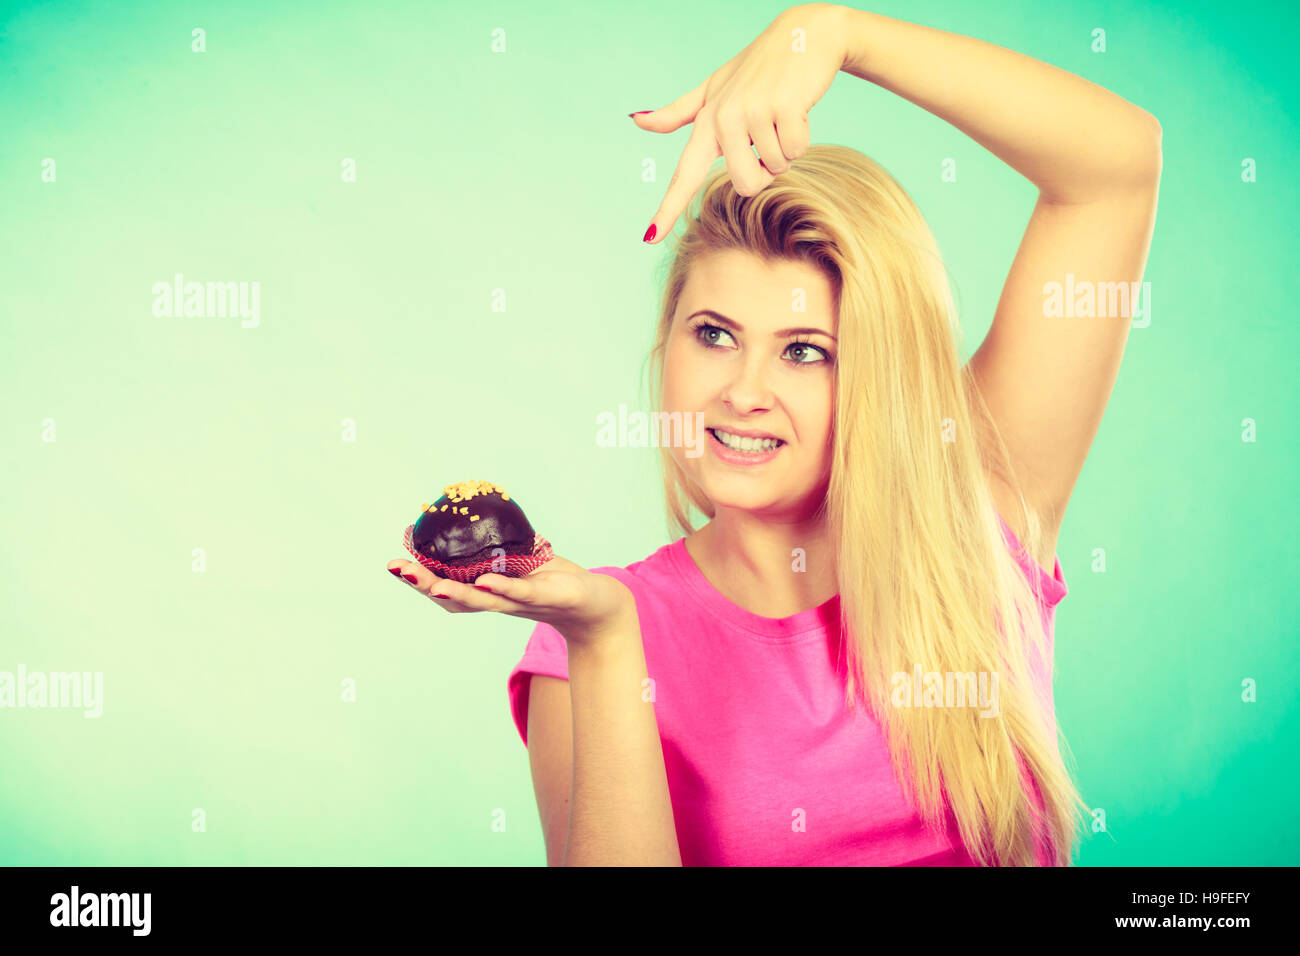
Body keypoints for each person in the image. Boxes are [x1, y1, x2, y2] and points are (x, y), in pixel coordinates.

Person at [386, 3, 1161, 866]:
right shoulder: (590, 638)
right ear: (665, 344)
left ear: (876, 372)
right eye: (714, 335)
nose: (743, 392)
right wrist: (605, 641)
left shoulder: (978, 508)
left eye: (804, 351)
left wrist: (837, 34)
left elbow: (1116, 168)